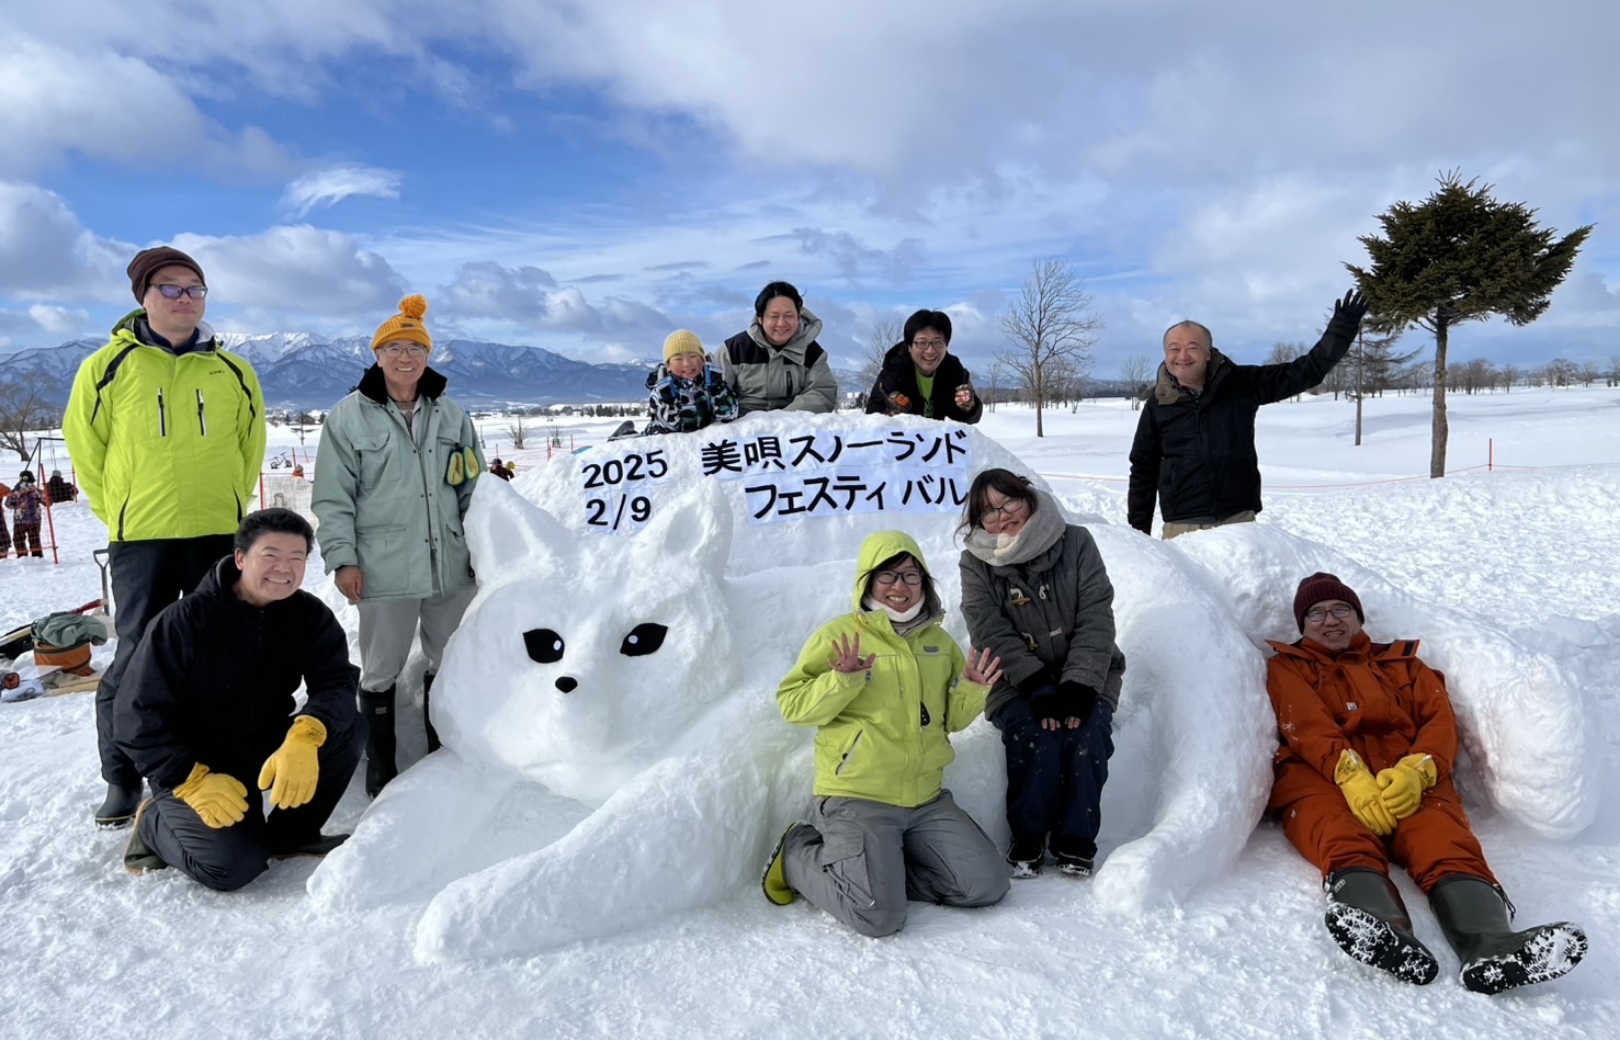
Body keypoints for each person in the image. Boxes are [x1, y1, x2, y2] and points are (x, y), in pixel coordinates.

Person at [1266, 572, 1587, 993]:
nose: (1330, 620)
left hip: (1407, 776)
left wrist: (1419, 769)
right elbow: (1305, 725)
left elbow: (1439, 721)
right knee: (1339, 835)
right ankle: (1382, 930)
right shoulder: (1289, 666)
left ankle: (1490, 944)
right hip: (1323, 775)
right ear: (1302, 625)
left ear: (1358, 617)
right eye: (1317, 614)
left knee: (1444, 841)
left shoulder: (1405, 664)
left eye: (1341, 609)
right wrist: (1349, 775)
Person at [63, 246, 268, 827]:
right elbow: (87, 450)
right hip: (143, 537)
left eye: (194, 288)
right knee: (134, 655)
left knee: (218, 650)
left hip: (217, 534)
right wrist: (122, 512)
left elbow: (249, 448)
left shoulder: (232, 371)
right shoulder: (106, 367)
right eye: (171, 288)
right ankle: (122, 776)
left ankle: (212, 761)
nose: (185, 299)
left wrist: (231, 504)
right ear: (143, 298)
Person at [762, 531, 1009, 936]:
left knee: (987, 884)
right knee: (878, 918)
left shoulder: (938, 643)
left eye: (911, 576)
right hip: (860, 798)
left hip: (926, 801)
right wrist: (842, 681)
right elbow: (793, 706)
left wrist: (972, 689)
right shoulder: (841, 636)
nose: (900, 587)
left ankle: (884, 873)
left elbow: (949, 721)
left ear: (924, 584)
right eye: (888, 576)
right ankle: (796, 856)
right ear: (868, 582)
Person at [115, 509, 362, 891]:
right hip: (194, 764)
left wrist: (307, 733)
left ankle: (290, 835)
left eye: (296, 558)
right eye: (271, 555)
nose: (284, 569)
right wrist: (187, 779)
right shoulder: (183, 620)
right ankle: (154, 822)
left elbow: (337, 683)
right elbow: (136, 715)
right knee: (232, 867)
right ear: (241, 558)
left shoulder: (308, 615)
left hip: (262, 744)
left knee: (347, 727)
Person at [312, 294, 483, 798]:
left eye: (415, 348)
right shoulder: (349, 418)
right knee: (381, 667)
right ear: (378, 356)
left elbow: (473, 488)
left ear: (428, 356)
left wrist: (482, 546)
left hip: (450, 564)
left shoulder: (452, 415)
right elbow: (332, 497)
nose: (405, 358)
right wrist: (342, 559)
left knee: (448, 659)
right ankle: (380, 757)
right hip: (383, 567)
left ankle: (441, 747)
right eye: (394, 349)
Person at [957, 469, 1126, 877]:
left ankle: (1075, 840)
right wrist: (1034, 684)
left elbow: (1096, 617)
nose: (1002, 518)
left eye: (1009, 503)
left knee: (1086, 733)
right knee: (1037, 733)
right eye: (988, 514)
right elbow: (988, 629)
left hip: (1088, 671)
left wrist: (1081, 684)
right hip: (1012, 678)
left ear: (1027, 497)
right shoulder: (975, 562)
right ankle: (1028, 835)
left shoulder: (1077, 542)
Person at [1127, 290, 1367, 539]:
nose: (1182, 356)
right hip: (1181, 527)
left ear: (1208, 353)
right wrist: (1138, 533)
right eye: (1173, 349)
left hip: (1238, 523)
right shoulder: (1158, 403)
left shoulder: (1240, 384)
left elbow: (1306, 371)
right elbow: (1144, 468)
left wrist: (1341, 329)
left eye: (1192, 347)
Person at [720, 282, 838, 414]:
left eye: (789, 316)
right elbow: (716, 394)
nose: (781, 323)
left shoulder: (813, 353)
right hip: (742, 426)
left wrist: (782, 419)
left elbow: (821, 392)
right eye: (774, 316)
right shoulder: (733, 350)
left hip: (794, 425)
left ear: (799, 316)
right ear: (760, 318)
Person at [864, 309, 982, 423]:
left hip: (939, 441)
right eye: (922, 343)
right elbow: (872, 421)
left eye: (937, 342)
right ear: (909, 346)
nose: (930, 350)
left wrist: (969, 407)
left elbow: (964, 421)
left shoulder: (954, 371)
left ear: (946, 345)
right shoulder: (893, 374)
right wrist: (890, 413)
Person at [644, 330, 739, 434]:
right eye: (678, 359)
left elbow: (730, 415)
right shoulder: (662, 390)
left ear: (703, 360)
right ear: (669, 366)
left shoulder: (713, 382)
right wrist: (668, 403)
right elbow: (666, 427)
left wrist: (718, 391)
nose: (687, 364)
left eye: (693, 356)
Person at [4, 472, 45, 558]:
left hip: (19, 520)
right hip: (35, 519)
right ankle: (37, 557)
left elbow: (8, 504)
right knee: (34, 539)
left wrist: (15, 493)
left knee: (18, 540)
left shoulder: (15, 492)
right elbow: (47, 502)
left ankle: (22, 556)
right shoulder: (36, 491)